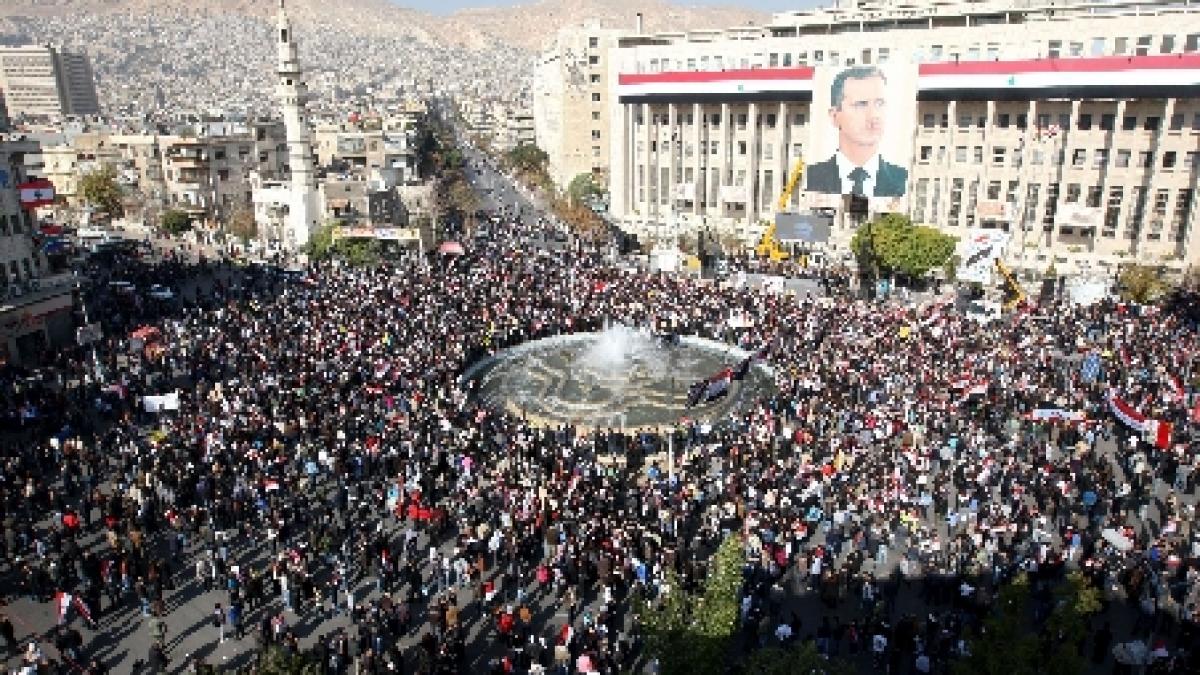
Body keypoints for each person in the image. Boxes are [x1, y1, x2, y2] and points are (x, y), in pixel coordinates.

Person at [806, 66, 908, 197]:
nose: (874, 115)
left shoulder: (901, 179)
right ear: (834, 116)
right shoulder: (813, 176)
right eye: (861, 104)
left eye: (879, 103)